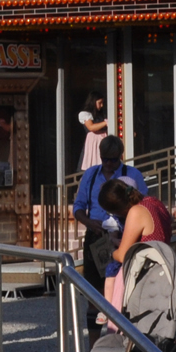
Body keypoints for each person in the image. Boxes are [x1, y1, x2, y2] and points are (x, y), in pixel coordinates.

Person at [71, 136, 145, 322]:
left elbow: (143, 204)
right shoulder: (91, 174)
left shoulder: (132, 174)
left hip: (125, 234)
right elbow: (78, 207)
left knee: (125, 290)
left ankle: (120, 332)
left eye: (113, 159)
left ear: (120, 156)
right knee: (93, 292)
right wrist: (89, 222)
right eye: (105, 159)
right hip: (97, 236)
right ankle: (95, 337)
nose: (109, 164)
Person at [98, 175, 171, 315]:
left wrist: (112, 252)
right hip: (162, 273)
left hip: (142, 277)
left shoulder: (136, 211)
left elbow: (122, 255)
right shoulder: (154, 202)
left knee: (123, 324)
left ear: (117, 210)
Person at [76, 92, 109, 172]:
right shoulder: (86, 114)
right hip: (93, 142)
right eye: (100, 103)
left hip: (103, 141)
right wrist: (105, 123)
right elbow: (91, 127)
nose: (102, 105)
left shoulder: (102, 114)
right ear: (93, 102)